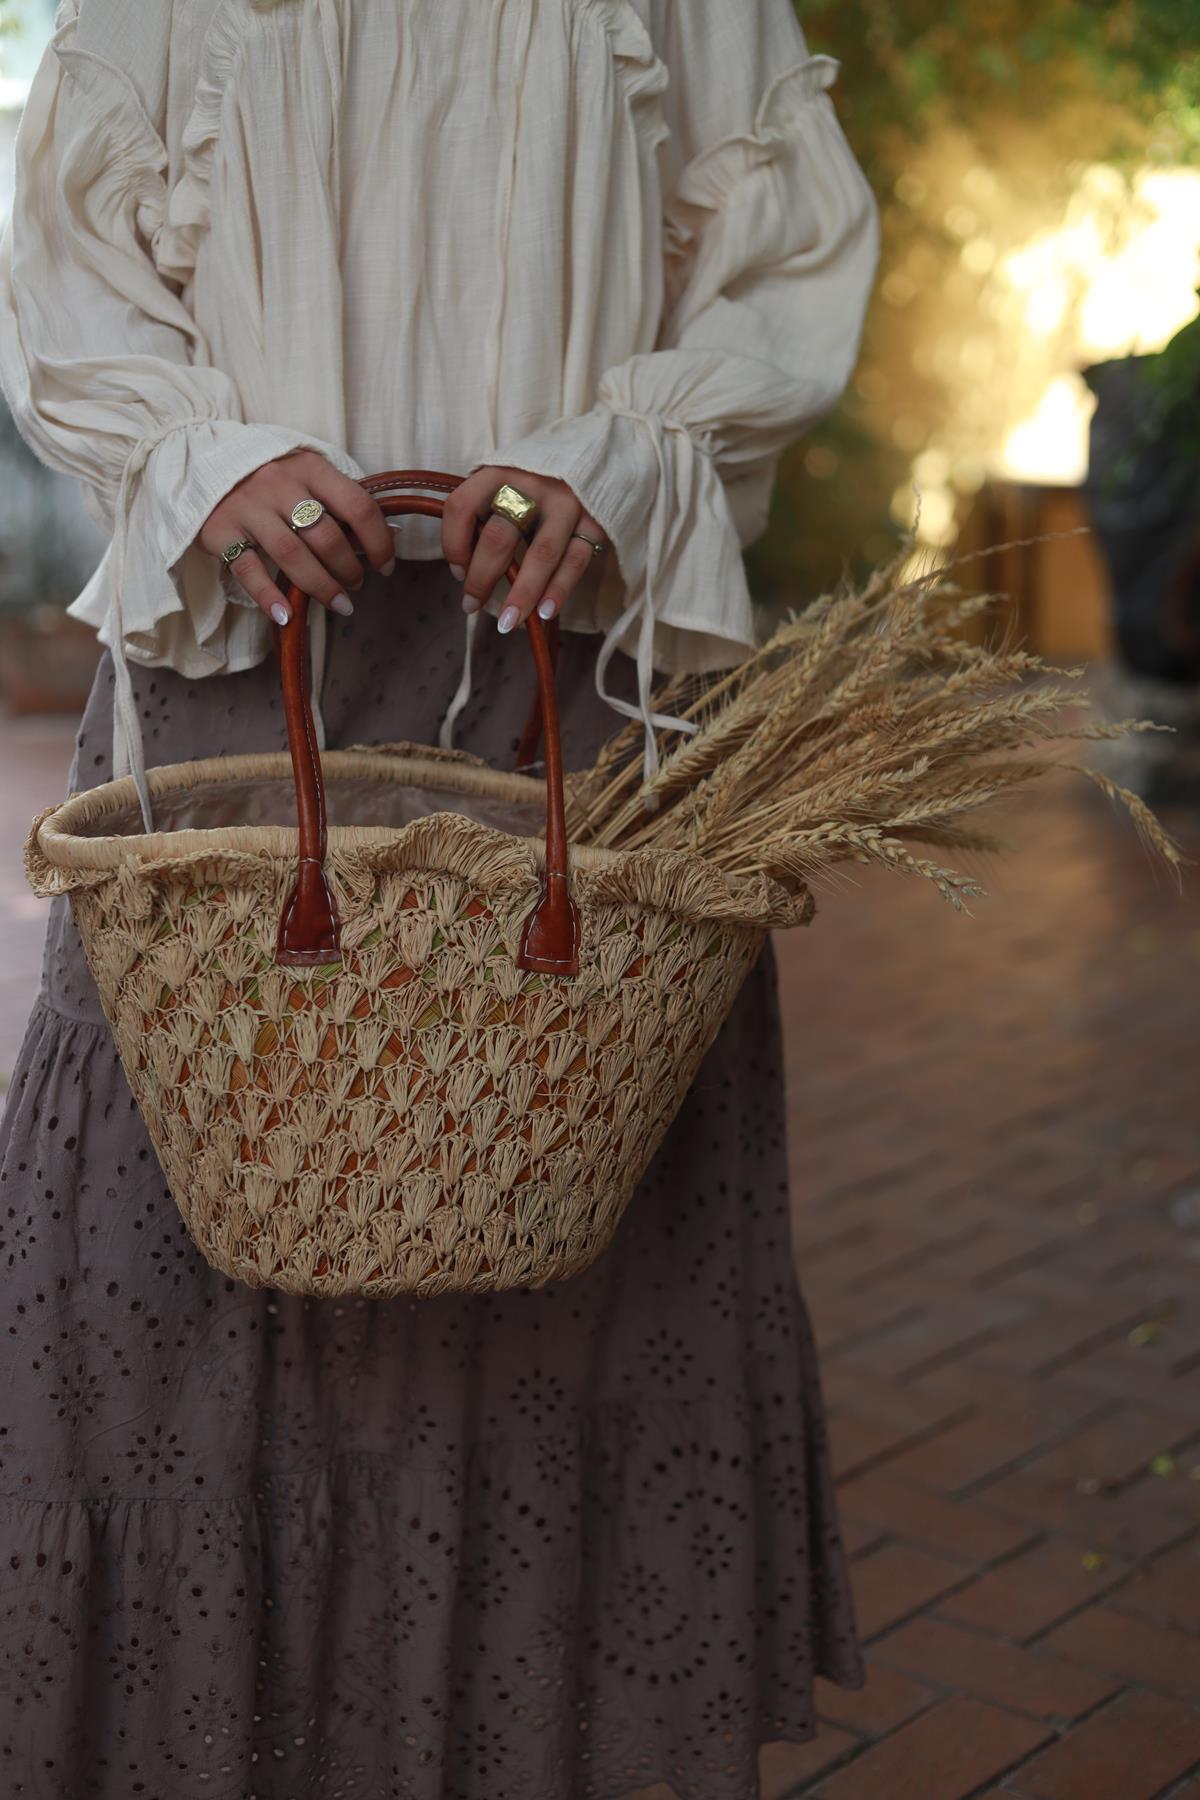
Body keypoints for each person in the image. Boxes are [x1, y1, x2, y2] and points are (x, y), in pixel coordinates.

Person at [0, 1, 880, 1793]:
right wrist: (198, 454)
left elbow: (785, 258)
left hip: (573, 667)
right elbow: (66, 267)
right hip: (234, 663)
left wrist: (626, 454)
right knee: (172, 1235)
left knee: (567, 1181)